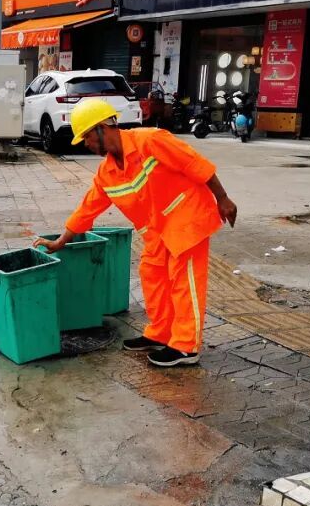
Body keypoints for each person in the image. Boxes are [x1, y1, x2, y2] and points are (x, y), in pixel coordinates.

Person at [35, 98, 237, 368]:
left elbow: (195, 164)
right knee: (152, 274)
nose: (86, 144)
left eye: (86, 137)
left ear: (101, 128)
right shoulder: (108, 172)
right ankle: (161, 333)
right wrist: (62, 241)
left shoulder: (150, 141)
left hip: (187, 217)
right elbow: (88, 207)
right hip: (158, 230)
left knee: (183, 281)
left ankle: (186, 345)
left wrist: (222, 198)